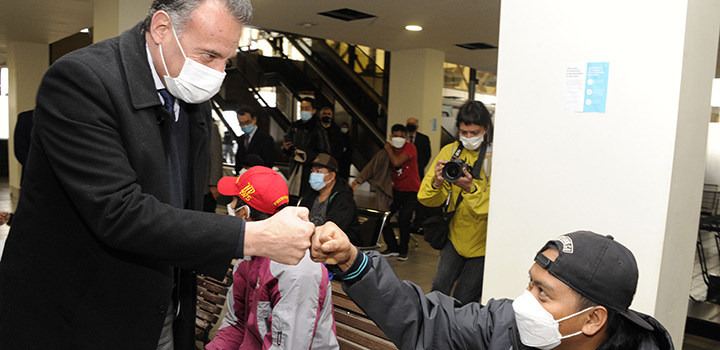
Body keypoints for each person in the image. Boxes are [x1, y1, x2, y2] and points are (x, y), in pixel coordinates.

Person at [0, 1, 314, 349]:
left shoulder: (187, 91)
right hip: (79, 309)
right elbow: (118, 211)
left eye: (227, 60)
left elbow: (184, 203)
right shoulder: (82, 80)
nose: (218, 73)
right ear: (162, 29)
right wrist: (253, 236)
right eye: (209, 56)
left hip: (162, 300)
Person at [311, 227, 675, 350]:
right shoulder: (505, 326)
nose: (525, 302)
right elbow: (427, 321)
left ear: (594, 319)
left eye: (544, 293)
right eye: (530, 283)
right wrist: (354, 262)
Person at [207, 166, 339, 350]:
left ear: (244, 213)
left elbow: (288, 346)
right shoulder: (250, 256)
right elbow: (236, 324)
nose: (230, 207)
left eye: (233, 201)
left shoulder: (297, 270)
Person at [417, 100, 492, 305]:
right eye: (464, 132)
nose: (468, 138)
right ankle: (431, 329)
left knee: (464, 299)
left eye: (474, 132)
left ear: (486, 129)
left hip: (484, 243)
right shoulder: (450, 152)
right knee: (438, 290)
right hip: (454, 236)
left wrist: (471, 188)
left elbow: (494, 207)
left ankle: (457, 336)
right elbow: (426, 198)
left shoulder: (493, 157)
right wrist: (437, 182)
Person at [353, 124, 420, 261]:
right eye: (395, 136)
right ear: (391, 136)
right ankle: (392, 247)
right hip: (396, 191)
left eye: (401, 136)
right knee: (384, 217)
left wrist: (389, 149)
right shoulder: (385, 153)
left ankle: (403, 250)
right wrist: (358, 181)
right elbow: (373, 165)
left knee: (404, 219)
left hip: (411, 191)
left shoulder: (410, 148)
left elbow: (396, 162)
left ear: (406, 138)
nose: (398, 139)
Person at [300, 153, 361, 246]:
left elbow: (334, 230)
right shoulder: (310, 194)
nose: (313, 175)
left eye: (319, 172)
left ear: (332, 176)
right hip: (309, 244)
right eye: (312, 171)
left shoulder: (344, 199)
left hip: (337, 247)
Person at [283, 97, 330, 197]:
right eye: (302, 108)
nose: (304, 111)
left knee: (307, 196)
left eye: (307, 108)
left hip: (310, 169)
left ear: (314, 111)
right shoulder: (294, 127)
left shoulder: (318, 129)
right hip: (295, 167)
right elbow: (288, 149)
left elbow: (324, 152)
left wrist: (306, 154)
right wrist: (287, 148)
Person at [234, 106, 276, 173]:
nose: (244, 125)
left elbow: (268, 163)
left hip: (259, 177)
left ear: (254, 120)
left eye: (247, 122)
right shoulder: (241, 139)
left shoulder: (266, 139)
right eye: (241, 123)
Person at [319, 107, 345, 176]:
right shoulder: (316, 128)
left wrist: (334, 157)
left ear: (332, 116)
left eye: (329, 114)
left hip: (332, 159)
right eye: (324, 114)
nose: (326, 116)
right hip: (318, 159)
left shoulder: (336, 129)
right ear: (320, 115)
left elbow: (340, 145)